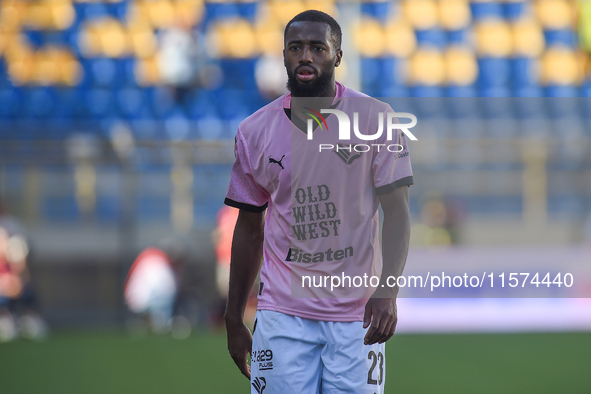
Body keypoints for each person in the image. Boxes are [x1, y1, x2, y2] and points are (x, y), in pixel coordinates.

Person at [223, 10, 413, 394]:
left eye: (317, 48)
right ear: (284, 55)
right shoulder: (254, 132)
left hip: (357, 317)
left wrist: (387, 291)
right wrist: (232, 317)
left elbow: (397, 214)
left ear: (337, 56)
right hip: (282, 317)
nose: (305, 56)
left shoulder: (377, 119)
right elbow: (249, 228)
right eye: (296, 48)